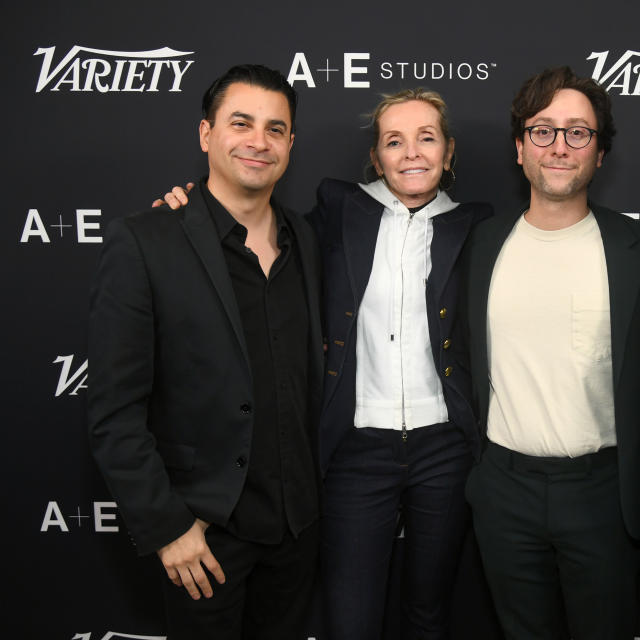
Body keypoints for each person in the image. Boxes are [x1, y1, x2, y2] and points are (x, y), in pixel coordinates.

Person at [155, 88, 492, 639]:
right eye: (394, 141)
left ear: (449, 153)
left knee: (429, 611)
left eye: (426, 139)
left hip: (445, 450)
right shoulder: (337, 213)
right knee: (350, 619)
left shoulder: (478, 226)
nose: (411, 153)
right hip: (355, 451)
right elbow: (246, 227)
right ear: (376, 157)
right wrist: (185, 211)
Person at [87, 64, 324, 640]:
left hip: (297, 530)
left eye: (275, 129)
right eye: (240, 123)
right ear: (205, 134)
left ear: (290, 144)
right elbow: (114, 411)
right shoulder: (147, 241)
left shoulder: (310, 240)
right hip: (203, 537)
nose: (257, 141)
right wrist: (168, 527)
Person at [462, 66, 640, 640]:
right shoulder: (479, 243)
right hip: (503, 488)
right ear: (519, 146)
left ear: (600, 153)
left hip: (604, 492)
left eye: (578, 132)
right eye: (543, 130)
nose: (559, 146)